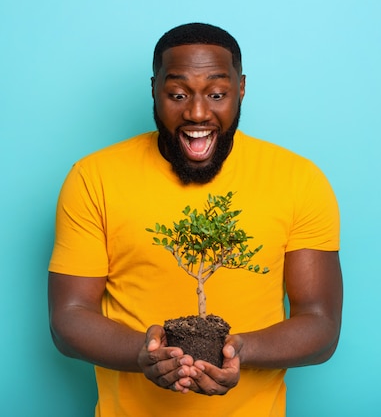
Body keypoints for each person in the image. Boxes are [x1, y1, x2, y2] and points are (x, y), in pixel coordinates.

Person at [48, 22, 343, 417]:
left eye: (217, 93)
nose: (198, 112)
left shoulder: (299, 181)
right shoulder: (94, 178)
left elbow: (320, 325)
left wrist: (240, 349)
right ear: (154, 89)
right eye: (178, 93)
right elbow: (68, 318)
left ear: (241, 89)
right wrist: (143, 353)